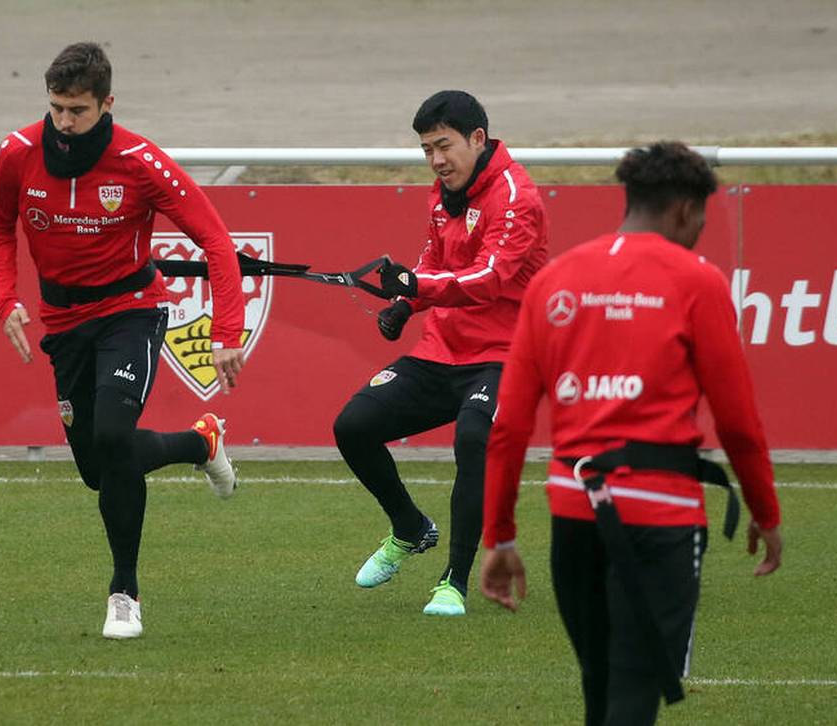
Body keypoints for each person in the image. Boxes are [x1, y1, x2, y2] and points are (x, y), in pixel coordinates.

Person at [479, 142, 783, 724]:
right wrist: (765, 514)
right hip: (660, 519)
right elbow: (739, 423)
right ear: (683, 211)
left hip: (575, 514)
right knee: (632, 697)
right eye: (700, 218)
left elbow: (510, 426)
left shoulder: (555, 279)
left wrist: (502, 536)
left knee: (601, 689)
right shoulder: (699, 280)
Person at [0, 42, 244, 640]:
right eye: (56, 109)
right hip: (64, 323)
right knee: (100, 470)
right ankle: (201, 444)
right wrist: (5, 299)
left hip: (132, 311)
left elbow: (216, 240)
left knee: (114, 435)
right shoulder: (18, 154)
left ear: (107, 104)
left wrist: (227, 333)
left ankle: (124, 592)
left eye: (77, 110)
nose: (65, 124)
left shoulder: (140, 161)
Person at [332, 90, 549, 616]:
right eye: (427, 149)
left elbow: (491, 278)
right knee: (352, 426)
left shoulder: (518, 197)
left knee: (473, 437)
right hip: (442, 350)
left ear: (478, 138)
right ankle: (409, 527)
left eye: (443, 146)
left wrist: (417, 288)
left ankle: (453, 580)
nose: (436, 160)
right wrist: (405, 305)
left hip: (505, 354)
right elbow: (433, 259)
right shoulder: (443, 192)